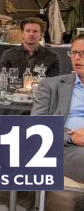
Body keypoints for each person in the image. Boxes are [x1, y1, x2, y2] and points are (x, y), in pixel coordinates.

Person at [32, 34, 84, 185]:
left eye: (83, 53)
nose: (77, 58)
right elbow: (36, 124)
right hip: (66, 145)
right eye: (73, 52)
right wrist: (71, 137)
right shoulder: (51, 84)